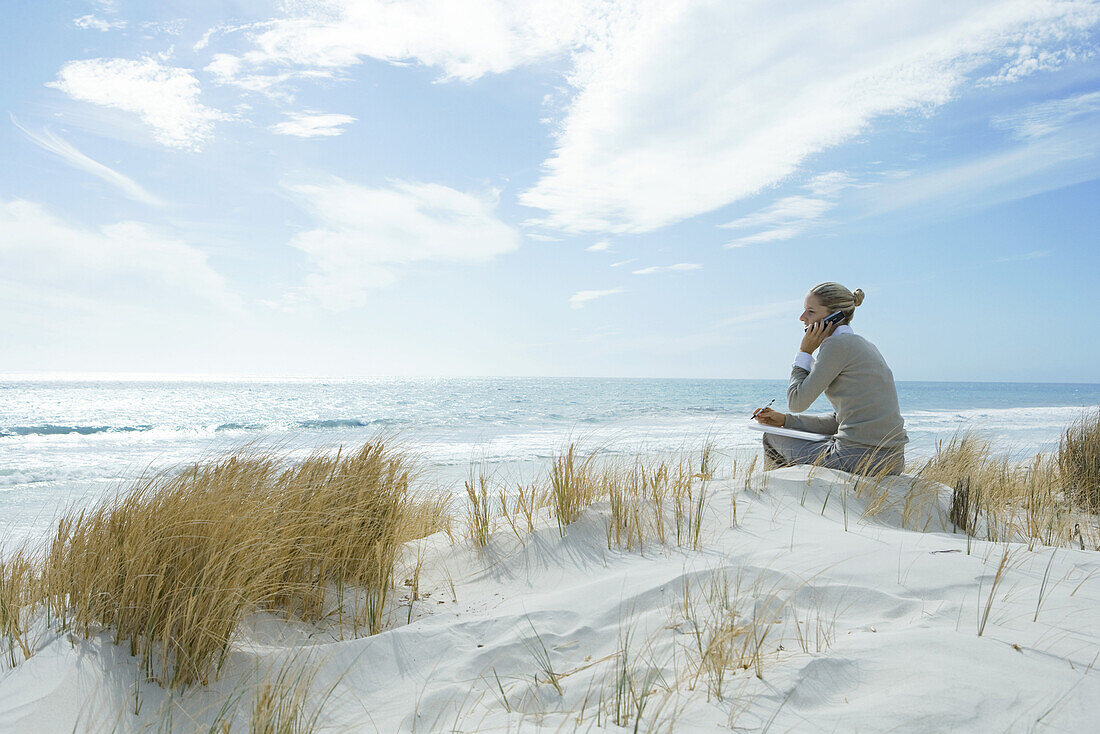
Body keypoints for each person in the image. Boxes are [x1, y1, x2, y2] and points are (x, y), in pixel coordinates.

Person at [753, 282, 908, 475]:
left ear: (835, 317)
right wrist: (786, 420)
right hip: (892, 461)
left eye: (810, 311)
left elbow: (796, 402)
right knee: (793, 434)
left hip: (857, 460)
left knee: (771, 437)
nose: (802, 318)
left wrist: (805, 351)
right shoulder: (865, 345)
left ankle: (777, 498)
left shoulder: (836, 345)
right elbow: (845, 420)